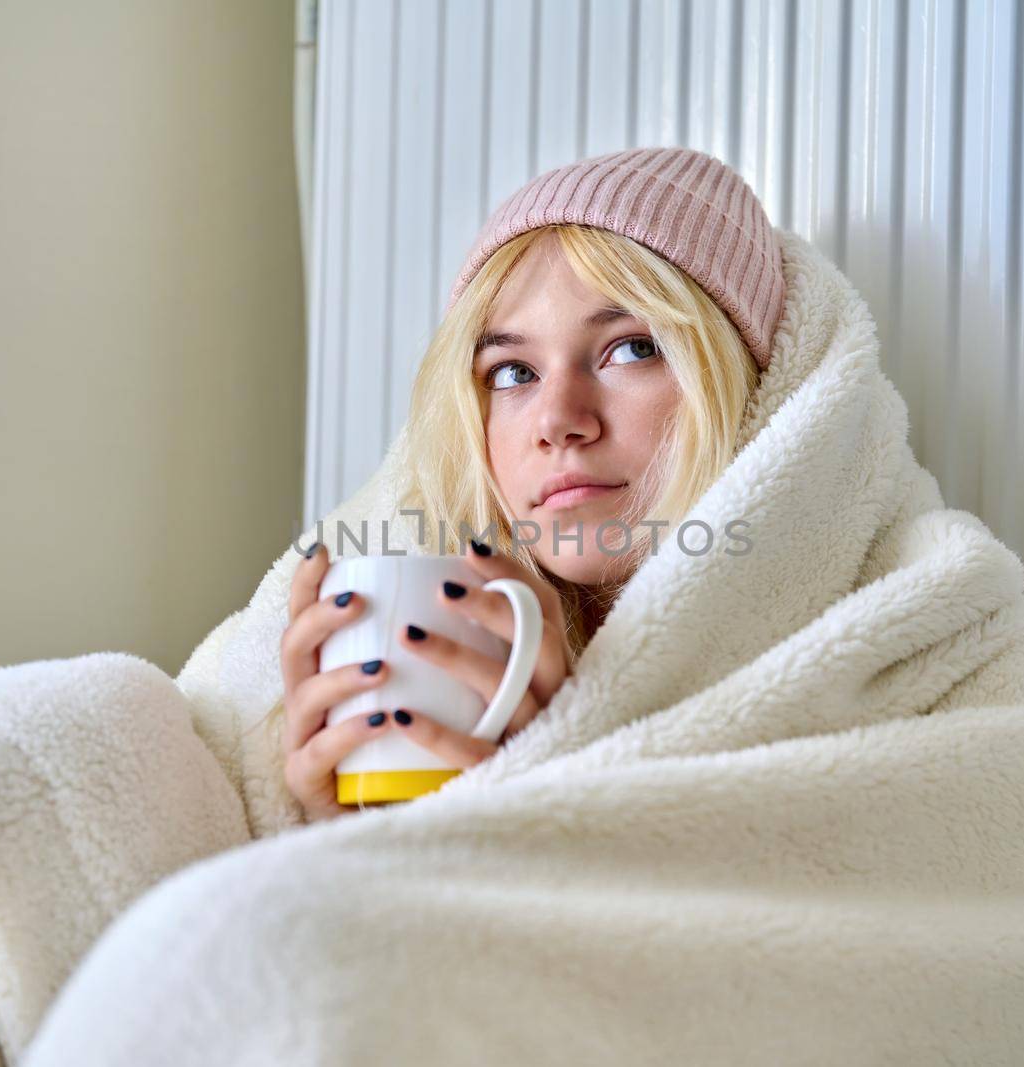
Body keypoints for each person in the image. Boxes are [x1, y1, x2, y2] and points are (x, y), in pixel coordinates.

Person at [275, 146, 786, 822]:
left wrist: (554, 790)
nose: (558, 422)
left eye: (634, 347)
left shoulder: (908, 645)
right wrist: (335, 827)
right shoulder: (424, 585)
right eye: (512, 371)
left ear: (752, 391)